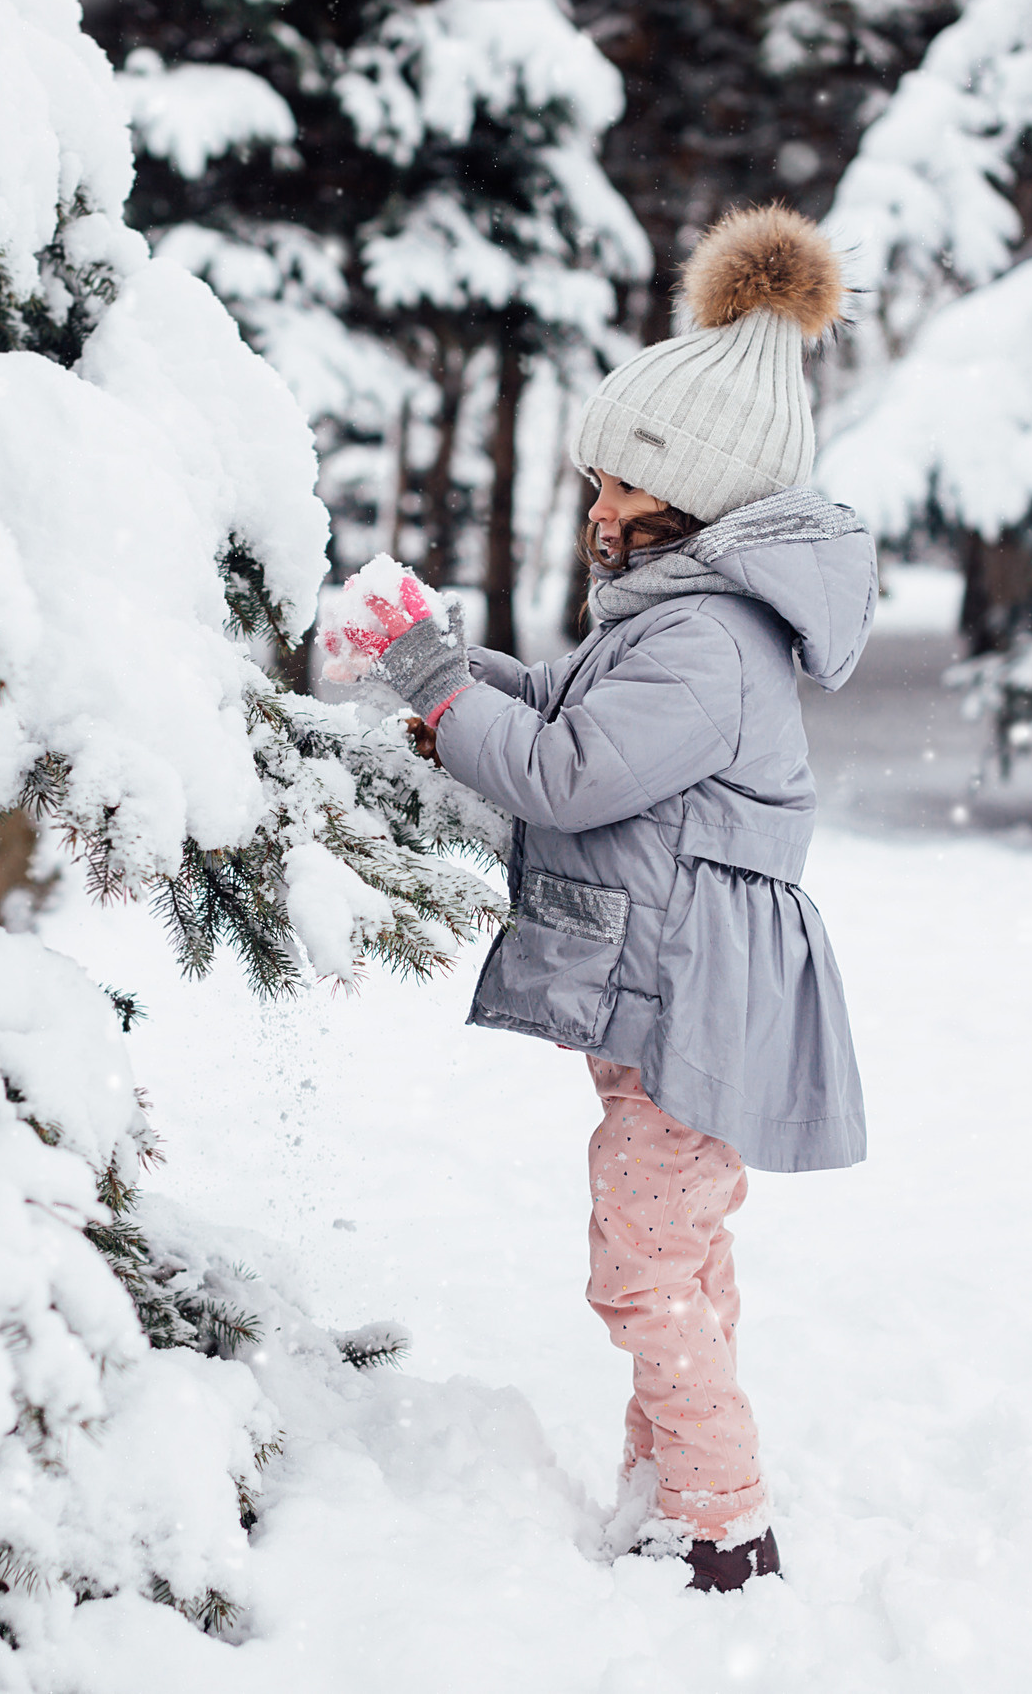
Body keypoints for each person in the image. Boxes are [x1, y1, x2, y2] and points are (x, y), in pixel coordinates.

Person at [354, 204, 872, 1593]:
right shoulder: (678, 623)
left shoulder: (703, 641)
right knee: (673, 1256)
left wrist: (432, 692)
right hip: (679, 999)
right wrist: (456, 670)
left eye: (617, 494)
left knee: (644, 1266)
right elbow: (574, 715)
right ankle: (669, 1487)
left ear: (692, 504)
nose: (595, 513)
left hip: (692, 1012)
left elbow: (572, 774)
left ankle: (723, 1521)